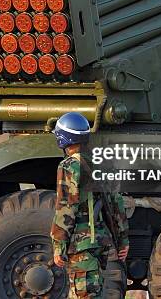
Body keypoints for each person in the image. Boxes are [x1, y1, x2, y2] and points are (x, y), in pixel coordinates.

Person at [50, 112, 129, 299]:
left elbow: (66, 207)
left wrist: (59, 244)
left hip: (80, 244)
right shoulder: (103, 163)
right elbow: (116, 203)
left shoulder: (69, 166)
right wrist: (123, 240)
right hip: (100, 242)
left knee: (83, 294)